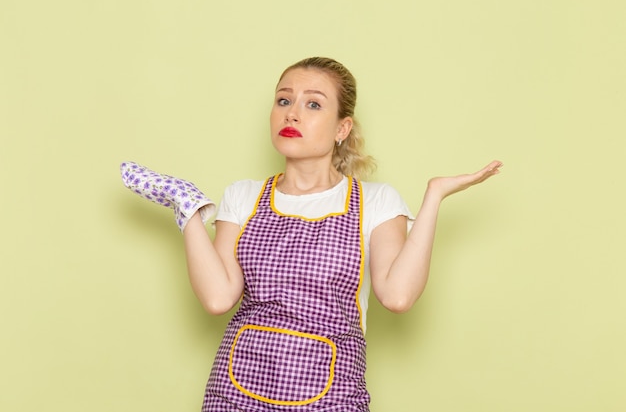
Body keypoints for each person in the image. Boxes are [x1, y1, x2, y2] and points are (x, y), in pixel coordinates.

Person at [120, 56, 502, 412]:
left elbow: (398, 296)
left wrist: (434, 196)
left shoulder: (377, 201)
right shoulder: (243, 196)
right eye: (283, 100)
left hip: (333, 393)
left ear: (342, 128)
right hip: (235, 389)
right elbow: (219, 298)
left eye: (313, 104)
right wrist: (187, 210)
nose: (293, 113)